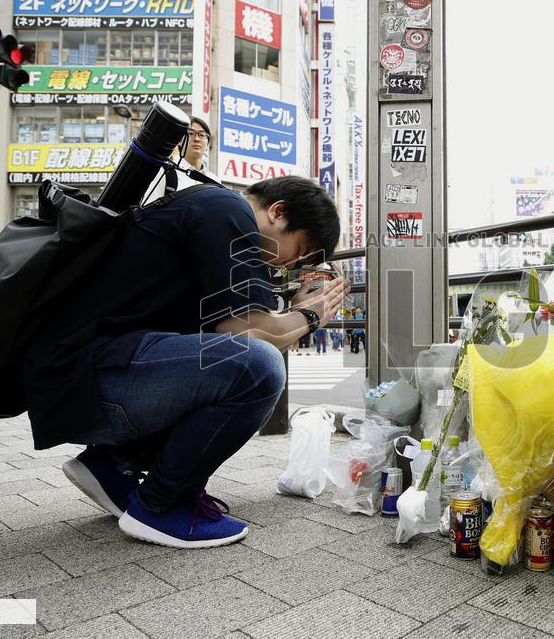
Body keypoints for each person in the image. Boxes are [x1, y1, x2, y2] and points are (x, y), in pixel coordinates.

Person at [20, 176, 346, 549]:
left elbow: (229, 338)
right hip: (89, 379)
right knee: (258, 367)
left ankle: (113, 465)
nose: (290, 263)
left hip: (72, 378)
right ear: (278, 211)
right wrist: (309, 315)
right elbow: (246, 334)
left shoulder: (209, 211)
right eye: (299, 250)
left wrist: (297, 316)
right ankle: (162, 505)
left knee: (234, 364)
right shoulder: (229, 211)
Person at [143, 115, 224, 204]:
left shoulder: (214, 181)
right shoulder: (165, 172)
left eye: (201, 135)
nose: (197, 139)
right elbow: (149, 208)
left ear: (208, 144)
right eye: (191, 133)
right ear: (180, 140)